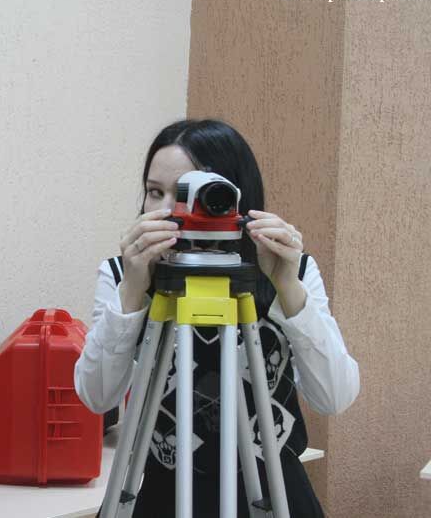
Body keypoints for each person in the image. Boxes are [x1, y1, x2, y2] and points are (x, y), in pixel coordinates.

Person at [74, 119, 360, 517]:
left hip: (273, 494)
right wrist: (133, 290)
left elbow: (335, 395)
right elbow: (96, 395)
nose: (167, 210)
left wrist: (287, 285)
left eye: (188, 194)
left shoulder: (286, 270)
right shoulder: (125, 274)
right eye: (155, 192)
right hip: (165, 494)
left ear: (230, 196)